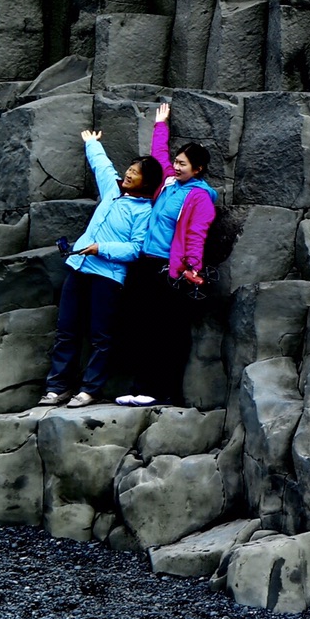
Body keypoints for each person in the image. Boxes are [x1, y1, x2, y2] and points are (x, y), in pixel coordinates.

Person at [39, 131, 160, 409]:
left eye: (135, 173)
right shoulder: (112, 190)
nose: (128, 174)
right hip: (79, 268)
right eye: (129, 169)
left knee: (100, 337)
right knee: (66, 331)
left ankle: (90, 389)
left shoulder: (144, 210)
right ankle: (57, 388)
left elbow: (135, 249)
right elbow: (102, 166)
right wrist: (92, 142)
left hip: (108, 277)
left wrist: (100, 248)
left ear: (147, 181)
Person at [118, 104, 218, 407]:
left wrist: (191, 270)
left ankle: (163, 392)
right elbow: (158, 156)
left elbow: (196, 236)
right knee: (140, 326)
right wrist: (160, 125)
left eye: (183, 164)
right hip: (144, 263)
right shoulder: (168, 183)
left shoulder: (199, 196)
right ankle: (140, 388)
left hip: (169, 270)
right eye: (176, 162)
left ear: (198, 169)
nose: (176, 167)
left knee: (165, 332)